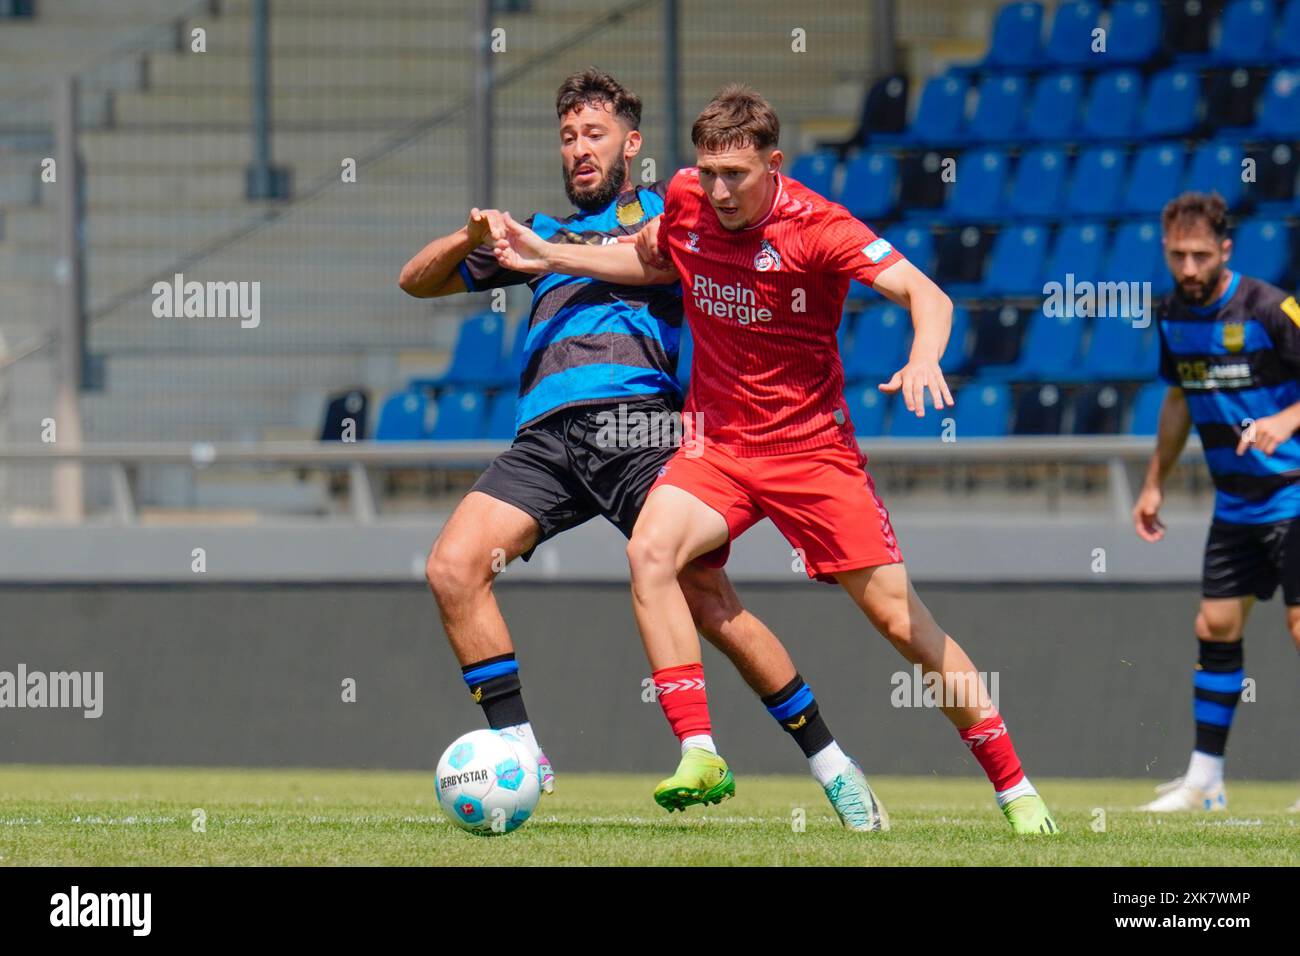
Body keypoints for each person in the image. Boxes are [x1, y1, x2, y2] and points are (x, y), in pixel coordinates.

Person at [493, 84, 1058, 833]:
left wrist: (925, 358)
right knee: (652, 553)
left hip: (813, 454)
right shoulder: (689, 199)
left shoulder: (818, 228)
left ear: (774, 163)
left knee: (901, 623)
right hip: (719, 445)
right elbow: (649, 259)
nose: (720, 190)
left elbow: (928, 295)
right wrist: (548, 253)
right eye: (709, 171)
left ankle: (1016, 790)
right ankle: (700, 749)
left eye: (738, 174)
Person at [400, 68, 885, 829]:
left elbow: (687, 256)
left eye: (594, 135)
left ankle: (834, 766)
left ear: (631, 145)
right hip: (547, 441)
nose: (579, 149)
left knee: (712, 606)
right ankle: (520, 752)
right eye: (567, 137)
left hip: (643, 430)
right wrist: (473, 236)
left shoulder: (676, 215)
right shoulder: (537, 233)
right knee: (452, 567)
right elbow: (413, 283)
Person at [1133, 191, 1300, 813]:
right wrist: (1155, 481)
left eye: (1201, 255)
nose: (1189, 269)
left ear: (1225, 250)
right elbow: (1178, 400)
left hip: (1293, 494)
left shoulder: (1271, 307)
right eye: (1177, 255)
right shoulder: (1172, 313)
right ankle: (1205, 780)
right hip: (1235, 504)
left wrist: (1286, 420)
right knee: (1215, 627)